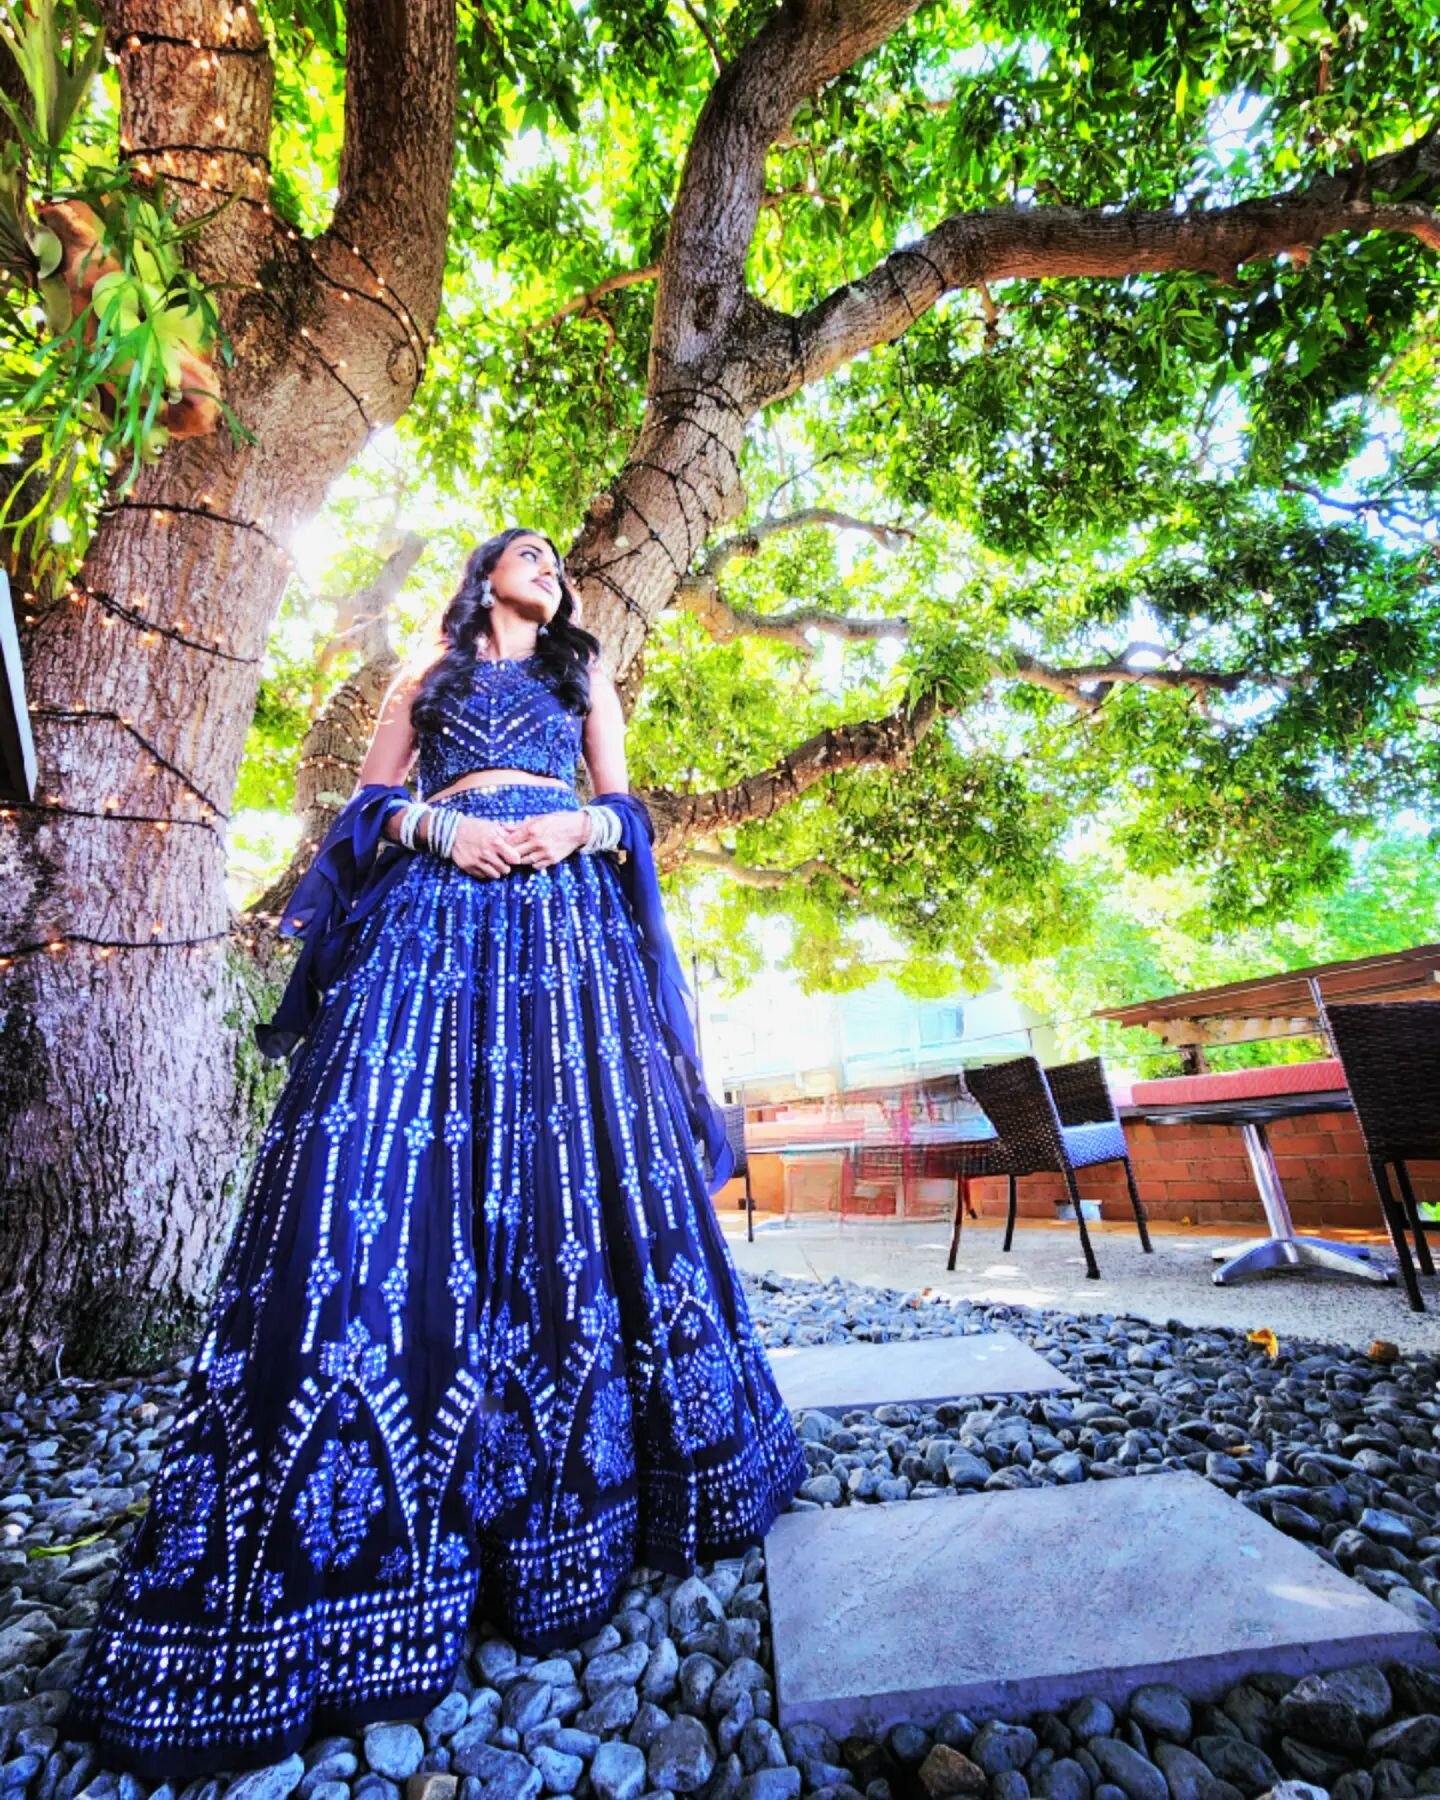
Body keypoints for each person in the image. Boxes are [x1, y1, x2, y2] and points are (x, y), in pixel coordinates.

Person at [58, 527, 807, 1781]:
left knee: (584, 1174)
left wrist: (581, 836)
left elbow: (628, 813)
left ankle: (620, 1489)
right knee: (372, 1180)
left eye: (558, 558)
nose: (549, 565)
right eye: (525, 551)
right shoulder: (429, 675)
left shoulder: (582, 677)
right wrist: (439, 834)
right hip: (430, 924)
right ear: (481, 575)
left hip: (565, 935)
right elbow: (366, 804)